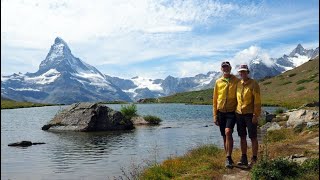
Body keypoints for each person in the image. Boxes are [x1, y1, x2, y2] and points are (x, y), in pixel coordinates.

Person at [213, 61, 240, 168]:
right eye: (223, 67)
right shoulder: (218, 82)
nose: (225, 68)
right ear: (221, 69)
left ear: (230, 68)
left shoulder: (236, 81)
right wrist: (215, 115)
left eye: (227, 67)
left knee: (228, 132)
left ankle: (228, 157)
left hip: (231, 112)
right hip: (220, 112)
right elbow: (215, 99)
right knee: (224, 136)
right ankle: (228, 157)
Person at [235, 64, 261, 167]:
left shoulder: (254, 84)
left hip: (250, 114)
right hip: (239, 114)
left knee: (253, 137)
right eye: (241, 72)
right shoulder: (238, 84)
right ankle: (244, 158)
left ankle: (254, 158)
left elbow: (257, 101)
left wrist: (256, 115)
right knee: (242, 136)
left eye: (244, 71)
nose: (242, 73)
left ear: (248, 72)